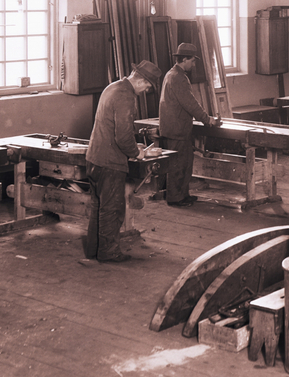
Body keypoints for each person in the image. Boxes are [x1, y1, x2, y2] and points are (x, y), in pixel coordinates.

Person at [84, 60, 162, 262]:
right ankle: (108, 252)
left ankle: (94, 249)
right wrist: (138, 153)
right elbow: (123, 137)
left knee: (98, 207)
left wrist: (134, 146)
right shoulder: (126, 96)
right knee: (112, 209)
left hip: (94, 158)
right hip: (109, 163)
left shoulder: (113, 87)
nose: (145, 91)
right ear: (141, 80)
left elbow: (113, 128)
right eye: (147, 86)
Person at [159, 43, 222, 206]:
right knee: (178, 165)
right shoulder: (178, 77)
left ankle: (183, 194)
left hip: (178, 128)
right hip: (177, 130)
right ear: (184, 59)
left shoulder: (172, 74)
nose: (193, 65)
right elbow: (190, 103)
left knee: (185, 163)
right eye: (192, 61)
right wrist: (207, 119)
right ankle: (175, 198)